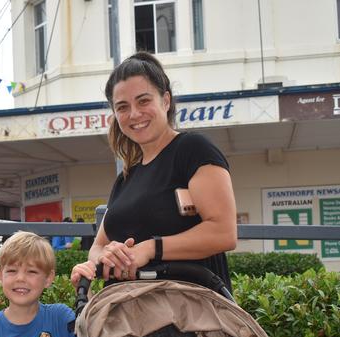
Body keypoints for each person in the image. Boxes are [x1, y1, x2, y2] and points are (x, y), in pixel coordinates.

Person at [70, 52, 236, 289]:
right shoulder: (126, 178)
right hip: (130, 314)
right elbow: (97, 247)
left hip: (190, 312)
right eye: (122, 107)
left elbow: (224, 232)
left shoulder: (193, 150)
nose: (134, 114)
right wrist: (109, 256)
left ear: (165, 101)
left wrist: (149, 248)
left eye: (144, 101)